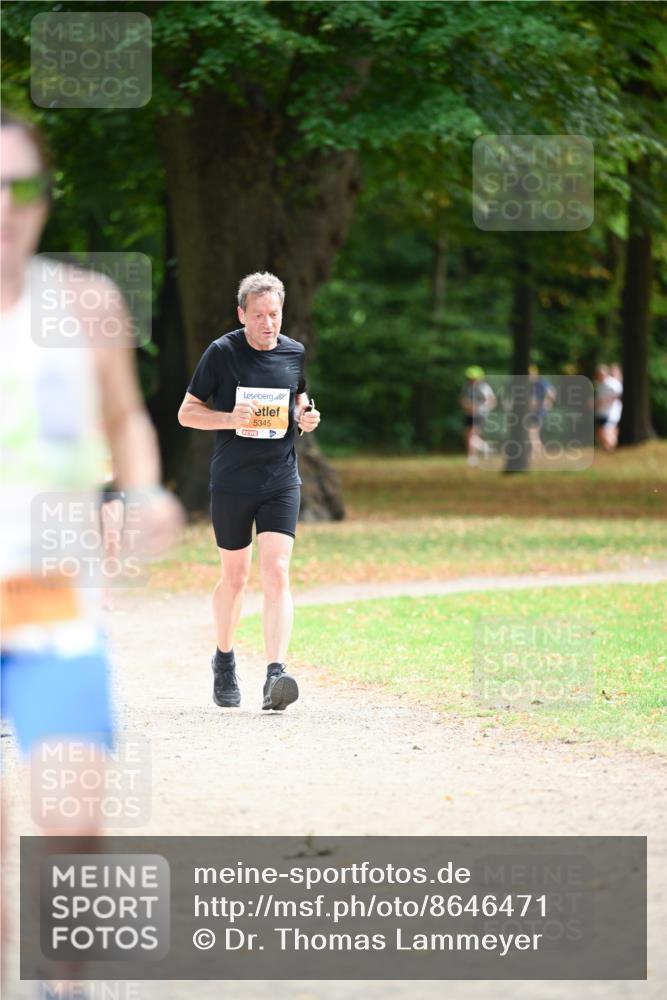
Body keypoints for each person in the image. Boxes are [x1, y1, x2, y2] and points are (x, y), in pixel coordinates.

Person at [0, 108, 183, 995]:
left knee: (71, 814)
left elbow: (127, 420)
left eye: (21, 186)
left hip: (46, 595)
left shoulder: (85, 304)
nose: (4, 206)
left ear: (45, 197)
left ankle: (58, 977)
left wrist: (142, 489)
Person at [178, 272, 320, 712]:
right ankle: (224, 659)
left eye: (274, 314)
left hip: (280, 479)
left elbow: (298, 396)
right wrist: (229, 418)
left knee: (276, 572)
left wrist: (305, 414)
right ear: (241, 314)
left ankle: (275, 674)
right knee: (236, 577)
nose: (267, 323)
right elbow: (187, 413)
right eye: (258, 315)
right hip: (233, 482)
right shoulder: (221, 353)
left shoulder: (293, 352)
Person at [460, 365, 496, 466]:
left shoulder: (484, 387)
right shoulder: (467, 387)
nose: (472, 380)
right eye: (470, 378)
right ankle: (484, 447)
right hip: (469, 414)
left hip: (480, 414)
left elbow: (492, 401)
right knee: (468, 435)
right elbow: (462, 399)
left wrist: (478, 408)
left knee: (472, 434)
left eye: (474, 378)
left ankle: (473, 456)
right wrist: (466, 405)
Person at [527, 363, 556, 458]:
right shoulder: (531, 384)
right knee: (534, 432)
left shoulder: (541, 382)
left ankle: (536, 452)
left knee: (532, 431)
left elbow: (551, 393)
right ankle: (539, 451)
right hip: (534, 411)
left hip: (540, 411)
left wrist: (546, 403)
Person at [593, 364, 623, 451]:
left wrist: (605, 402)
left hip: (610, 413)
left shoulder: (612, 383)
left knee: (606, 433)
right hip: (600, 412)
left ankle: (611, 449)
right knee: (599, 433)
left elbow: (619, 395)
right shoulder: (599, 385)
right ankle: (608, 449)